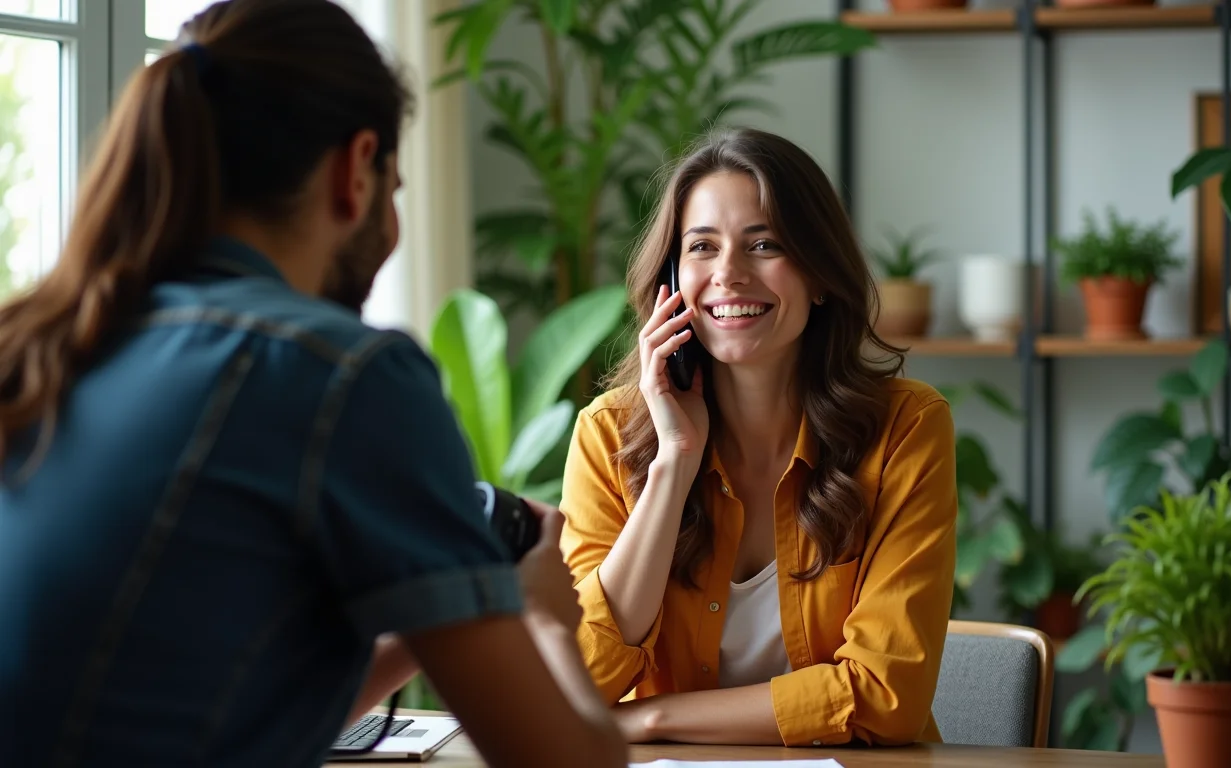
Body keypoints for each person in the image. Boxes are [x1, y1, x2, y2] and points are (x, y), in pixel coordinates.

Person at [0, 2, 625, 767]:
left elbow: (216, 707)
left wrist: (445, 605)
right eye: (395, 188)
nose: (393, 230)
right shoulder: (343, 373)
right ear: (355, 169)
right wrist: (546, 619)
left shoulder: (44, 344)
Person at [559, 127, 958, 748]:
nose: (728, 274)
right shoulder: (606, 434)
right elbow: (576, 682)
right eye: (701, 248)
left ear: (820, 273)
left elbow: (887, 697)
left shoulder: (905, 429)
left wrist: (655, 718)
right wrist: (673, 464)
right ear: (670, 280)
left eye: (764, 244)